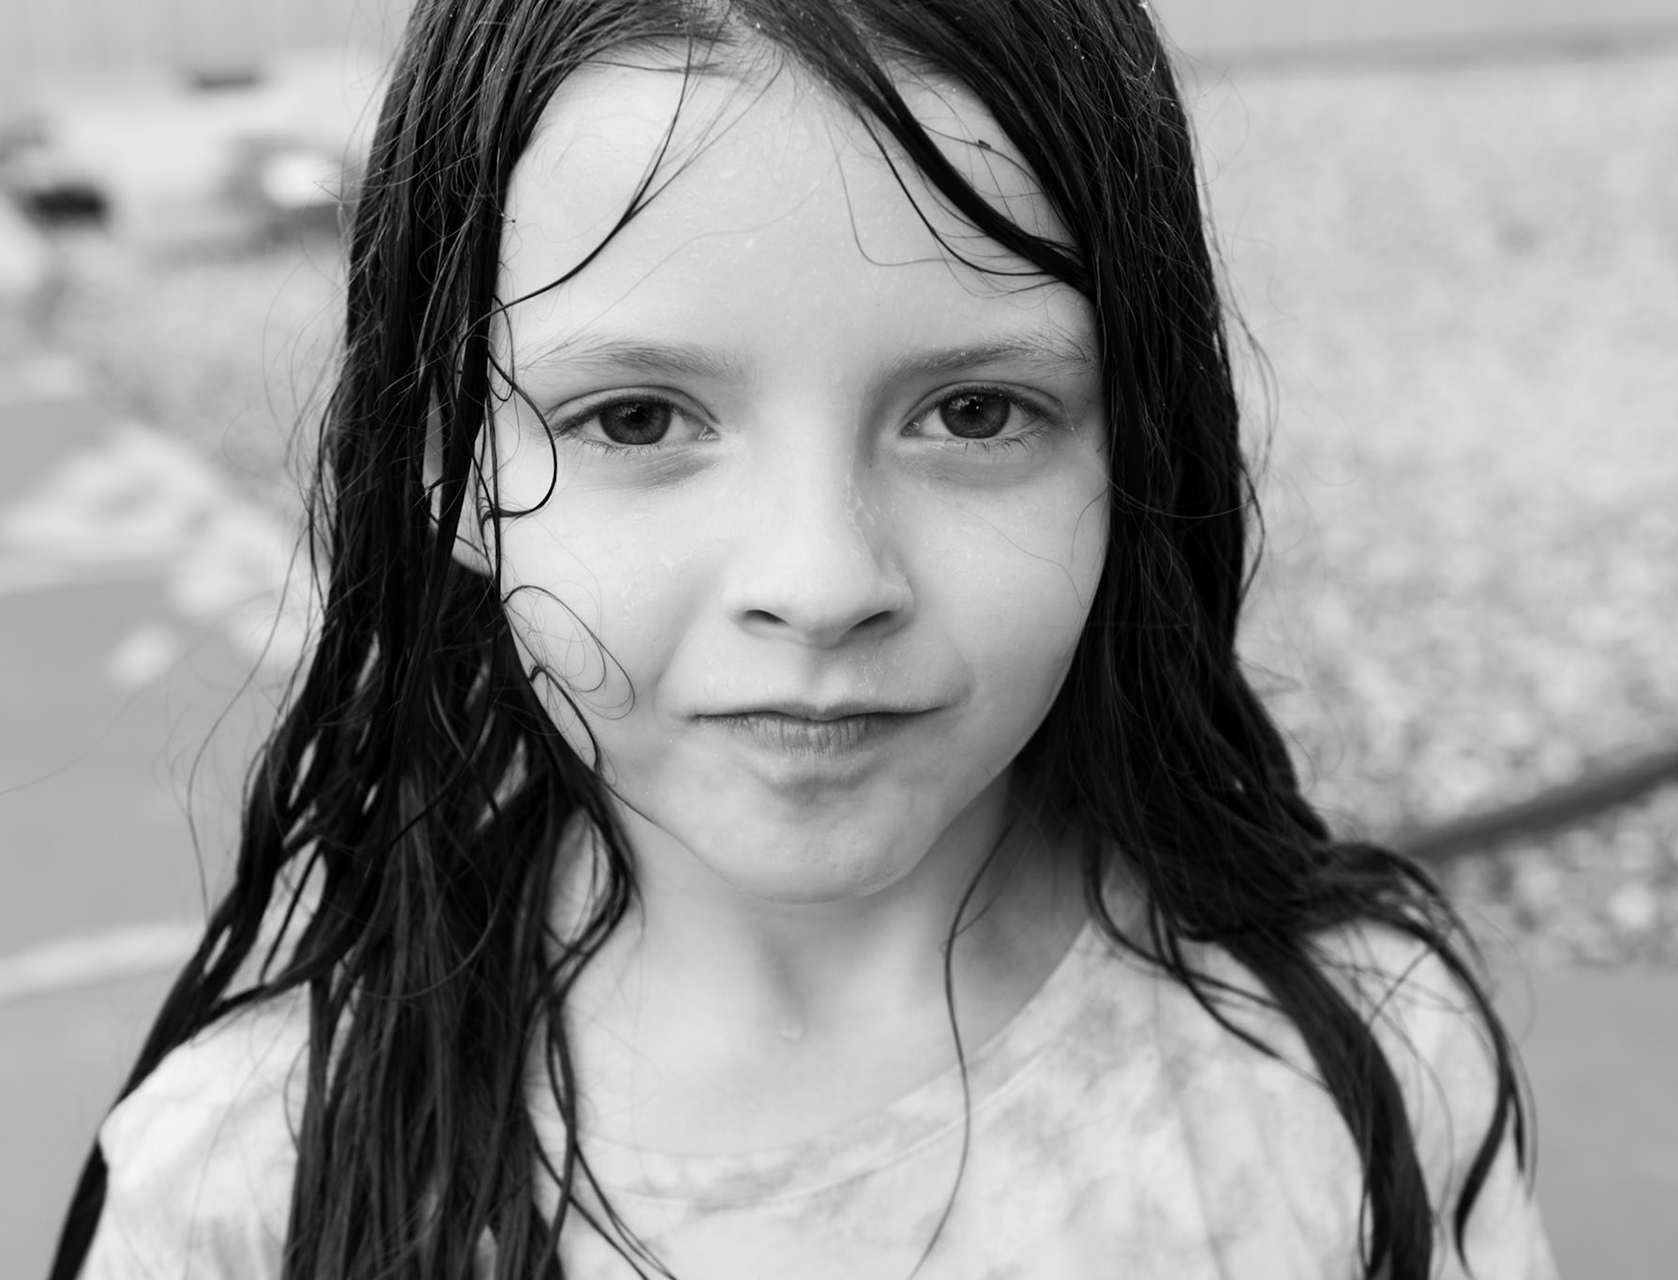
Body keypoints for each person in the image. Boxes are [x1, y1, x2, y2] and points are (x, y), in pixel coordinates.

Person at [51, 1, 1558, 1277]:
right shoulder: (250, 1190)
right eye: (636, 419)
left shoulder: (1351, 1071)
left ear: (1136, 446)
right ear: (450, 468)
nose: (825, 582)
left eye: (975, 411)